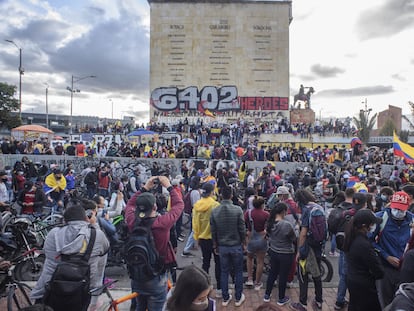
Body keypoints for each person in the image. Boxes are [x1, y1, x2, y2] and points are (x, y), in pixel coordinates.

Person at [30, 204, 109, 308]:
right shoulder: (98, 235)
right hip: (83, 291)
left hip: (52, 289)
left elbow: (49, 258)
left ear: (65, 220)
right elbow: (104, 252)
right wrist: (94, 225)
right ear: (86, 218)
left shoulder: (53, 234)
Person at [124, 176, 184, 311]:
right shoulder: (162, 223)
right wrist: (169, 187)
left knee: (139, 306)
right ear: (155, 206)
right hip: (156, 276)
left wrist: (144, 188)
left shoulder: (132, 221)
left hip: (137, 275)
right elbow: (179, 205)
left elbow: (129, 205)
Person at [371, 190, 414, 309]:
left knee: (403, 300)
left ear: (408, 206)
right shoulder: (380, 218)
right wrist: (386, 256)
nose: (398, 211)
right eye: (396, 208)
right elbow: (370, 241)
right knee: (385, 302)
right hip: (385, 267)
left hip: (405, 269)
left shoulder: (412, 221)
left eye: (401, 209)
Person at [210, 185, 246, 307]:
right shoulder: (238, 210)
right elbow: (242, 229)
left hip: (222, 246)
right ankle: (238, 297)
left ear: (220, 196)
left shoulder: (215, 211)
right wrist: (244, 242)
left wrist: (215, 245)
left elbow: (213, 231)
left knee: (224, 271)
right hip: (236, 245)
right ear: (231, 195)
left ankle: (225, 298)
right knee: (238, 271)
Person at [290, 189, 324, 311]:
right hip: (318, 247)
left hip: (308, 248)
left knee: (302, 274)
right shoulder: (318, 207)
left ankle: (302, 303)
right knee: (317, 274)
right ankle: (319, 300)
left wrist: (299, 250)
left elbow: (303, 233)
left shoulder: (306, 209)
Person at [343, 209, 384, 311]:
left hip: (353, 280)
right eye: (372, 224)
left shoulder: (351, 238)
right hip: (365, 286)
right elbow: (378, 271)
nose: (373, 227)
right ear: (365, 225)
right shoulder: (364, 245)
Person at [192, 183, 222, 298]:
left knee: (206, 263)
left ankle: (206, 287)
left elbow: (195, 223)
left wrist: (197, 237)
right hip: (215, 240)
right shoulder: (215, 205)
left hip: (203, 239)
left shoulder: (197, 206)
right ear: (211, 192)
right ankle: (219, 288)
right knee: (218, 263)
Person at [264, 202, 295, 306]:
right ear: (283, 212)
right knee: (283, 276)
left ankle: (267, 295)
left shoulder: (270, 223)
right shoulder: (286, 224)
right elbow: (293, 239)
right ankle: (281, 298)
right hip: (286, 253)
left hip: (274, 251)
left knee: (272, 273)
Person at [244, 196, 269, 291]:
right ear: (262, 204)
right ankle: (257, 283)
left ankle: (250, 278)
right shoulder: (266, 214)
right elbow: (269, 226)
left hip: (251, 237)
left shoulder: (248, 213)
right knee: (260, 261)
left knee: (249, 258)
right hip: (262, 237)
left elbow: (245, 224)